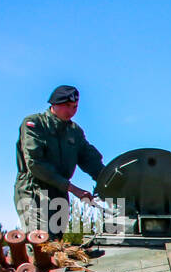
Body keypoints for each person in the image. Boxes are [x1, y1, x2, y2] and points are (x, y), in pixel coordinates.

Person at [14, 85, 104, 234]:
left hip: (59, 192)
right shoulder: (34, 124)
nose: (71, 111)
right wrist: (73, 189)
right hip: (34, 189)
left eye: (75, 107)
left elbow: (92, 162)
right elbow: (35, 164)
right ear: (54, 104)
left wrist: (112, 182)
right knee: (40, 240)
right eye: (67, 106)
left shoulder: (74, 132)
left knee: (55, 242)